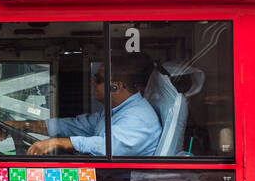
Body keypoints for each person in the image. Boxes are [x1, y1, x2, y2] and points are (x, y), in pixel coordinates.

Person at [21, 55, 161, 156]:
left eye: (98, 79)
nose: (92, 82)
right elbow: (74, 125)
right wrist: (22, 126)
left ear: (115, 87)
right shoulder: (115, 111)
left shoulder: (139, 118)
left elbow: (107, 147)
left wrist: (59, 142)